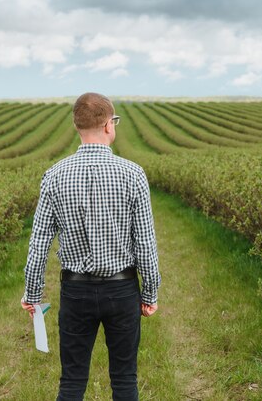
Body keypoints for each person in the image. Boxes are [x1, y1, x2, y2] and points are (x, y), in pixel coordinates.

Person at [21, 92, 161, 400]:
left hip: (76, 292)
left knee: (71, 381)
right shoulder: (133, 174)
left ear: (77, 127)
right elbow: (146, 243)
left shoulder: (54, 175)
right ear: (109, 125)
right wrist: (149, 294)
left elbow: (39, 244)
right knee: (125, 379)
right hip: (122, 291)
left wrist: (32, 295)